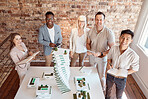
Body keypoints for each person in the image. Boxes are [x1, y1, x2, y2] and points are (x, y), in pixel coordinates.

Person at [105, 29, 139, 99]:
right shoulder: (113, 48)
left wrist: (124, 73)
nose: (124, 41)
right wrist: (109, 64)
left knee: (119, 96)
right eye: (122, 38)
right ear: (119, 37)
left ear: (131, 41)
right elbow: (109, 58)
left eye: (127, 39)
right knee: (108, 92)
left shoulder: (133, 55)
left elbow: (135, 69)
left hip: (121, 78)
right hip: (110, 75)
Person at [86, 11, 115, 91]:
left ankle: (102, 90)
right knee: (92, 72)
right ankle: (92, 87)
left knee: (101, 76)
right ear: (94, 20)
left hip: (102, 58)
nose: (99, 22)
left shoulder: (109, 33)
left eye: (101, 20)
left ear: (104, 20)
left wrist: (102, 53)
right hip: (92, 57)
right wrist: (88, 50)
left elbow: (112, 49)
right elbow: (88, 43)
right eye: (97, 19)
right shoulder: (90, 31)